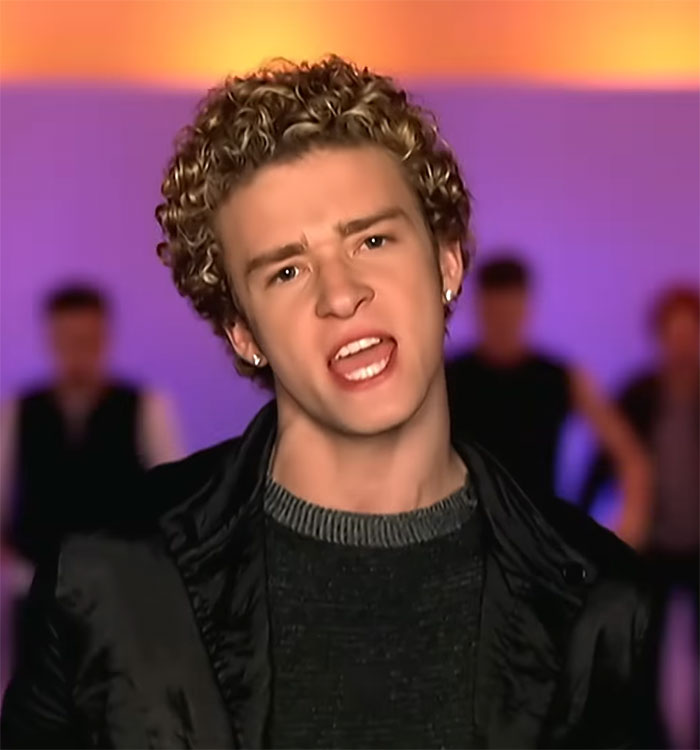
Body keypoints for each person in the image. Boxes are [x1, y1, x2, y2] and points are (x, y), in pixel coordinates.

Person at [1, 57, 652, 749]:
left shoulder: (598, 603)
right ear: (245, 333)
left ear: (447, 262)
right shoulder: (108, 580)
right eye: (287, 270)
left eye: (372, 240)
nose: (340, 295)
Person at [446, 256, 651, 547]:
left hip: (537, 536)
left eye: (510, 313)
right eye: (495, 313)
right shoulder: (450, 377)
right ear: (479, 309)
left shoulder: (558, 377)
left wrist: (627, 530)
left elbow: (631, 458)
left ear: (526, 309)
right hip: (467, 533)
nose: (503, 323)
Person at [580, 286, 699, 748]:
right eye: (674, 335)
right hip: (654, 543)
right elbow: (605, 460)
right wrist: (580, 523)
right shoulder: (640, 394)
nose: (682, 346)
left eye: (690, 334)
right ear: (660, 338)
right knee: (645, 650)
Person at [0, 284, 184, 566]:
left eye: (87, 341)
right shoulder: (17, 411)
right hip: (34, 577)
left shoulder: (145, 407)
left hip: (123, 576)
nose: (77, 352)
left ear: (105, 339)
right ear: (51, 341)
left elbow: (173, 497)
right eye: (67, 341)